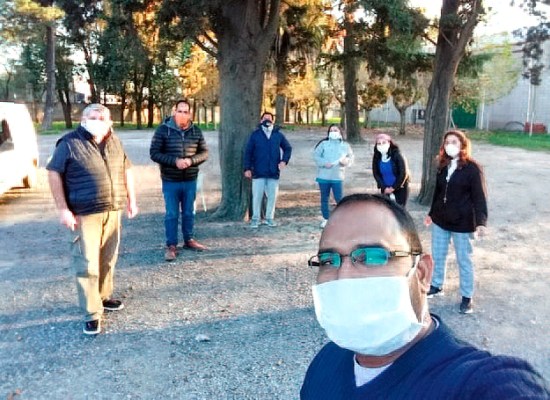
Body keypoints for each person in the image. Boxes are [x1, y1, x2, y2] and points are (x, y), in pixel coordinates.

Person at [301, 193, 549, 399]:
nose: (343, 277)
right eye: (328, 260)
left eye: (372, 256)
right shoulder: (326, 361)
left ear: (421, 274)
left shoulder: (477, 383)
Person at [46, 103, 138, 335]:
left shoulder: (115, 141)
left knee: (108, 259)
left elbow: (126, 169)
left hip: (112, 210)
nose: (98, 120)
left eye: (102, 117)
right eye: (93, 116)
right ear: (83, 120)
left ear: (110, 122)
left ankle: (103, 296)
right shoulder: (69, 143)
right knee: (86, 263)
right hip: (84, 214)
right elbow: (53, 173)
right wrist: (63, 209)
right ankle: (91, 313)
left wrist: (132, 199)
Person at [424, 130, 488, 314]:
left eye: (454, 142)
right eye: (447, 142)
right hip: (440, 220)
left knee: (464, 260)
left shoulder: (472, 168)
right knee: (438, 255)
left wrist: (481, 222)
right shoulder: (443, 165)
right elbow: (438, 193)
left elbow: (479, 197)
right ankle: (437, 285)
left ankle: (467, 297)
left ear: (462, 145)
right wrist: (431, 214)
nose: (450, 145)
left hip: (463, 223)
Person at [150, 99, 209, 261]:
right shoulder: (163, 130)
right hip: (171, 179)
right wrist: (174, 161)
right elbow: (154, 153)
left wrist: (191, 161)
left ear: (190, 114)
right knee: (172, 213)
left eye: (186, 112)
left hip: (190, 179)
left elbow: (204, 152)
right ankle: (171, 245)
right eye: (180, 111)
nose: (182, 114)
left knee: (189, 212)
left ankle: (189, 239)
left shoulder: (196, 131)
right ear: (174, 112)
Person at [243, 112, 292, 228]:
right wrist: (247, 168)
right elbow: (248, 152)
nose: (267, 120)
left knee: (272, 197)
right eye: (265, 118)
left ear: (273, 121)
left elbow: (288, 148)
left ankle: (269, 218)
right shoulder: (255, 135)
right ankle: (255, 219)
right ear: (261, 121)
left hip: (273, 172)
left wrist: (284, 161)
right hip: (258, 172)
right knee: (257, 197)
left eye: (269, 119)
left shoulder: (278, 135)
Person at [313, 124, 353, 228]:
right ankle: (326, 218)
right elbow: (316, 156)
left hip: (337, 177)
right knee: (324, 198)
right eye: (331, 130)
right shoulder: (323, 144)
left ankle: (342, 218)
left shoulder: (345, 146)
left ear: (340, 132)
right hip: (323, 177)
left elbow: (350, 158)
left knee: (339, 198)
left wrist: (346, 162)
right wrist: (324, 163)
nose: (333, 132)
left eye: (335, 130)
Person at [372, 133, 410, 207]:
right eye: (379, 143)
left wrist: (394, 187)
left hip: (400, 188)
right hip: (385, 188)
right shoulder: (377, 156)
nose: (381, 145)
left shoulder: (397, 155)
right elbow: (376, 173)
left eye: (384, 143)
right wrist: (384, 187)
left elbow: (403, 173)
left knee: (399, 209)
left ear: (389, 143)